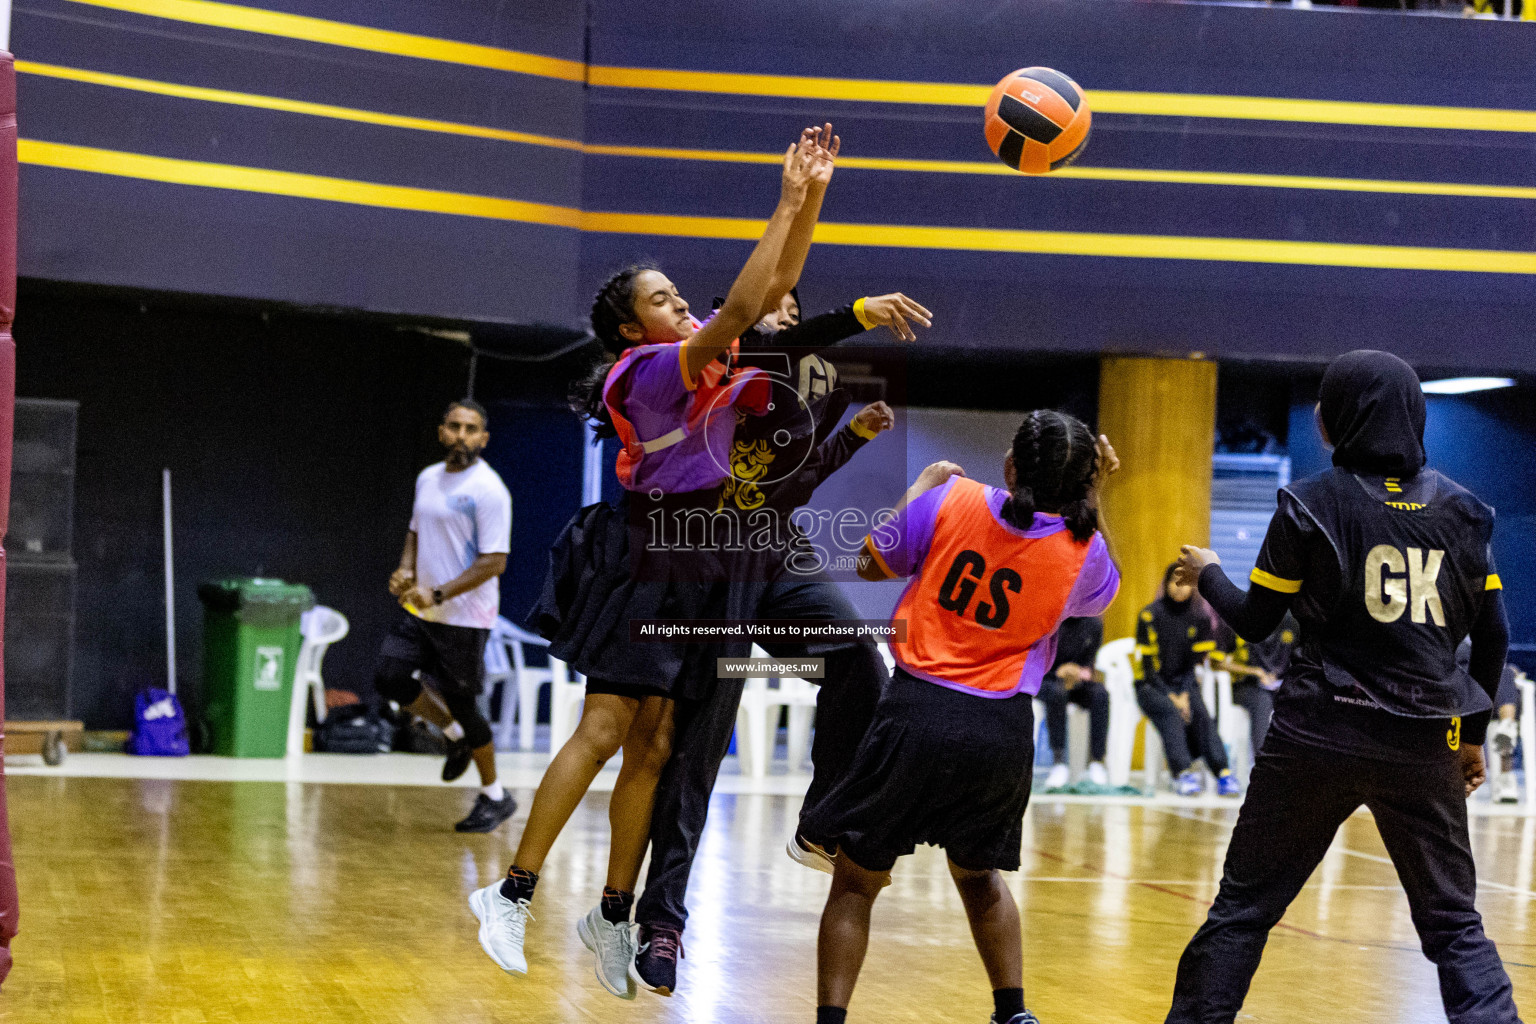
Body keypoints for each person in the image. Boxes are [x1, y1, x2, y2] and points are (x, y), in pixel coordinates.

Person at [469, 126, 840, 998]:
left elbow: (774, 287)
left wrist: (812, 193)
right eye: (667, 298)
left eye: (680, 298)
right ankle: (511, 892)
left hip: (698, 563)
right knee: (604, 731)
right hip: (647, 559)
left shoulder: (703, 363)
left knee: (656, 742)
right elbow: (746, 307)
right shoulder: (641, 371)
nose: (683, 305)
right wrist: (784, 199)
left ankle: (614, 910)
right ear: (632, 324)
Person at [1165, 350, 1520, 1024]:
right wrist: (1470, 738)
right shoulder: (1466, 513)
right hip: (1423, 746)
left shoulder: (1308, 503)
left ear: (1333, 422)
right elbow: (1493, 639)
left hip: (1316, 735)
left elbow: (1254, 621)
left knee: (1242, 911)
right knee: (1455, 929)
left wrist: (1208, 571)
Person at [632, 282, 931, 995]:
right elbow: (767, 343)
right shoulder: (715, 359)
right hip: (704, 556)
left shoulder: (818, 379)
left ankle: (821, 820)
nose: (790, 313)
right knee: (700, 744)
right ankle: (662, 923)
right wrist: (855, 313)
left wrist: (850, 440)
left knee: (859, 659)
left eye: (799, 306)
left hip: (774, 549)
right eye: (778, 302)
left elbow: (791, 485)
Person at [803, 411, 1121, 1024]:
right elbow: (1098, 589)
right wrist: (1095, 497)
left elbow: (871, 563)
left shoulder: (952, 498)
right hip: (1001, 730)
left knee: (855, 884)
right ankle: (1014, 1013)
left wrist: (917, 490)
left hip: (918, 710)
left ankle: (830, 1021)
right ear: (1083, 482)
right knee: (981, 880)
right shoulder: (1086, 552)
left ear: (1010, 466)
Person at [376, 399, 514, 832]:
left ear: (483, 438)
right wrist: (404, 569)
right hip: (422, 610)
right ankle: (454, 739)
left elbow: (494, 562)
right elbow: (416, 531)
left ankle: (495, 795)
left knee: (464, 705)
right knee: (389, 677)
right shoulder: (428, 479)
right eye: (454, 426)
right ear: (441, 433)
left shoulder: (490, 490)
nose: (461, 435)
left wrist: (437, 591)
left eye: (471, 429)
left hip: (465, 617)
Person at [1135, 564, 1239, 797]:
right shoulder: (1149, 615)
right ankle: (1182, 773)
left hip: (1184, 684)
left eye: (1185, 583)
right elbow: (1148, 669)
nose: (1180, 588)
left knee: (1201, 712)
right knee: (1171, 711)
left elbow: (1192, 666)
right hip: (1151, 686)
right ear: (1165, 584)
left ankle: (1223, 772)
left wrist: (1184, 693)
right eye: (1174, 581)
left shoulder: (1199, 618)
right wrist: (1174, 697)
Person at [1039, 616, 1110, 791]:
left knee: (1100, 694)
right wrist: (1059, 672)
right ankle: (1059, 762)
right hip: (1047, 679)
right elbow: (1037, 659)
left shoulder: (1094, 624)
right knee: (1057, 693)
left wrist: (1077, 673)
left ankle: (1096, 761)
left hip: (1078, 680)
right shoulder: (1050, 621)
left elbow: (1090, 665)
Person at [1217, 612, 1299, 758]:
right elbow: (1217, 663)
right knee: (1262, 700)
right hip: (1245, 686)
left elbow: (1301, 661)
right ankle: (1262, 760)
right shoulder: (1239, 618)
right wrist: (1254, 671)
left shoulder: (1292, 623)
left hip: (1280, 685)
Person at [1457, 637, 1521, 804]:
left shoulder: (1482, 631)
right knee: (1500, 673)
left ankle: (1507, 727)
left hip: (1486, 695)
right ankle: (1507, 726)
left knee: (1505, 673)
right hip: (1460, 690)